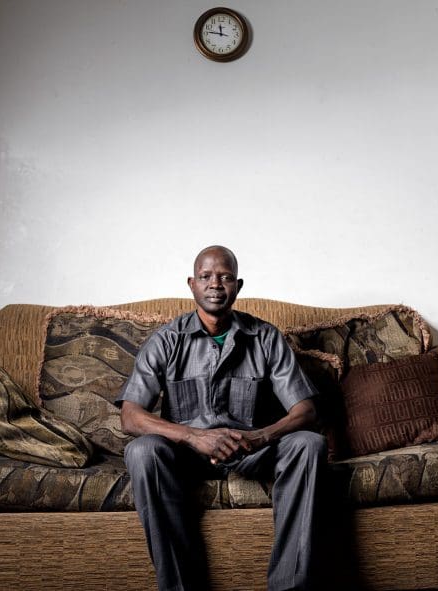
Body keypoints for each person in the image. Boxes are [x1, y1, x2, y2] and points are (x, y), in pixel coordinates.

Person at [116, 245, 327, 591]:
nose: (215, 284)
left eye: (225, 277)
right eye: (206, 277)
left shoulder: (265, 338)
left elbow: (306, 411)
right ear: (192, 284)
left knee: (308, 444)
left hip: (252, 451)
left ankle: (291, 586)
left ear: (238, 286)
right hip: (187, 454)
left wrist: (260, 437)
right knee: (142, 451)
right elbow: (130, 415)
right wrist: (193, 436)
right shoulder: (167, 341)